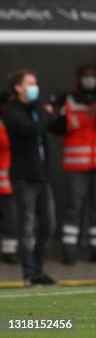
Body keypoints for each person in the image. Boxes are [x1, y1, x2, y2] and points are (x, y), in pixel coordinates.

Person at [3, 70, 65, 286]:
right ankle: (29, 273)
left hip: (42, 177)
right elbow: (31, 129)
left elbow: (60, 128)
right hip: (24, 177)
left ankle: (38, 269)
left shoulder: (38, 109)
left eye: (35, 83)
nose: (34, 87)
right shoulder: (11, 111)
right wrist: (47, 114)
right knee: (27, 225)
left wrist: (60, 111)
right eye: (29, 84)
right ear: (18, 87)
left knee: (48, 224)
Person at [60, 66, 96, 264]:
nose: (90, 80)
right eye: (86, 76)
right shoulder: (70, 101)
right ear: (79, 79)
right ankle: (69, 250)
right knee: (74, 207)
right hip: (76, 165)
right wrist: (95, 108)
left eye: (93, 76)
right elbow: (70, 124)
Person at [0, 92, 18, 264]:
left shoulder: (11, 124)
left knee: (11, 220)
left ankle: (9, 252)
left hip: (7, 182)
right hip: (4, 180)